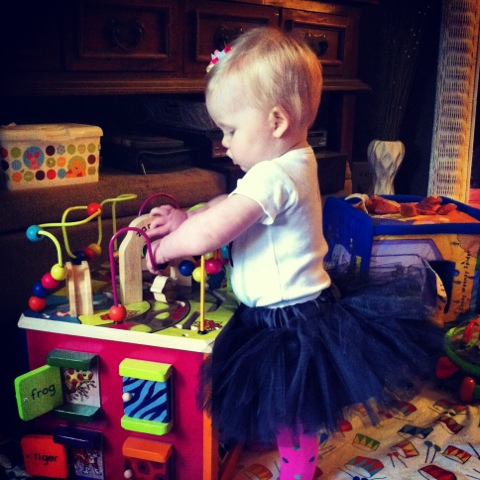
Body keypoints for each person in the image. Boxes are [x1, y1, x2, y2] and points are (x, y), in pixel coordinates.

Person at [146, 26, 444, 480]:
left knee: (295, 410)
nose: (224, 143)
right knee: (276, 395)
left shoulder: (274, 177)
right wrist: (188, 214)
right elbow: (228, 205)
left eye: (230, 130)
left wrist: (169, 246)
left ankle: (296, 472)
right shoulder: (287, 163)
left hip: (290, 321)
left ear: (276, 122)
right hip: (278, 313)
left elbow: (218, 229)